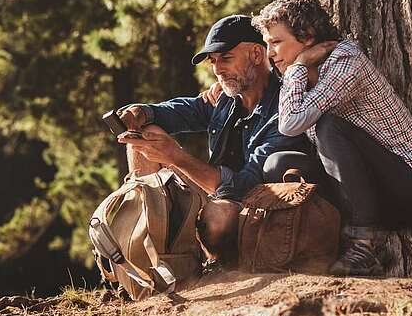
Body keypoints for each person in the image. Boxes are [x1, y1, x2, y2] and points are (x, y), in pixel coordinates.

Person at [248, 0, 412, 276]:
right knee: (278, 163)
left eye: (277, 42)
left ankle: (365, 246)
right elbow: (283, 119)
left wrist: (299, 66)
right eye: (267, 44)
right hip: (369, 188)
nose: (270, 53)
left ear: (308, 35)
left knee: (329, 126)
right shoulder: (297, 73)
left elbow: (290, 123)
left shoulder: (344, 60)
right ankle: (321, 245)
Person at [117, 15, 316, 268]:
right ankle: (145, 260)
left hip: (252, 208)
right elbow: (180, 111)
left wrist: (175, 158)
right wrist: (142, 112)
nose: (217, 69)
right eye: (213, 61)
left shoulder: (284, 108)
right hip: (215, 193)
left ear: (256, 54)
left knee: (218, 218)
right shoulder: (225, 97)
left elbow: (244, 185)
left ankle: (209, 261)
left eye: (226, 58)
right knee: (145, 132)